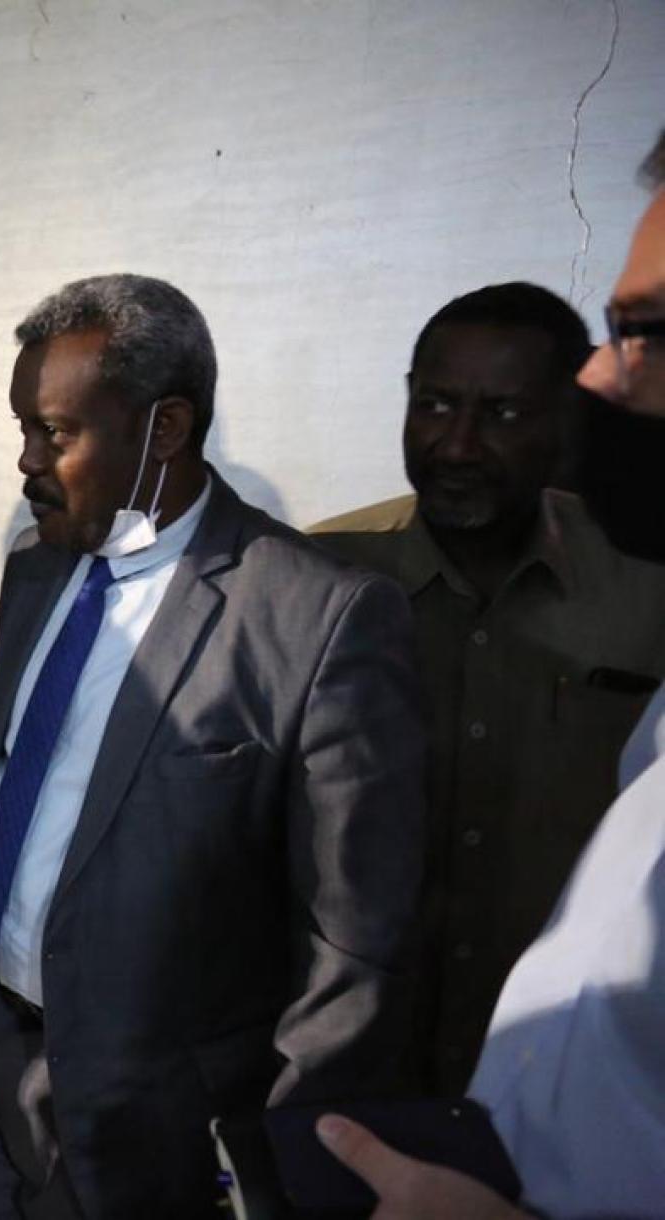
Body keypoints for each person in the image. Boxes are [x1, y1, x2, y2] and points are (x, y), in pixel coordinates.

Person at [0, 274, 427, 1219]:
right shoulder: (36, 568)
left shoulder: (317, 616)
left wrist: (281, 1148)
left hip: (152, 1101)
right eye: (23, 427)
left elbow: (352, 936)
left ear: (165, 428)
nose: (26, 461)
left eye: (55, 433)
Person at [319, 128, 665, 1220]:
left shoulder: (648, 590)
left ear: (568, 420)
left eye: (505, 412)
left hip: (554, 1120)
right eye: (435, 403)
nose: (457, 444)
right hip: (344, 1075)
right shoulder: (318, 579)